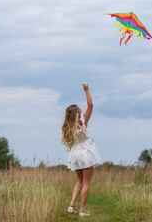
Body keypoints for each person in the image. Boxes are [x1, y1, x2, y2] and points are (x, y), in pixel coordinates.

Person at [61, 83, 101, 217]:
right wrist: (87, 90)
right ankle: (82, 209)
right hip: (85, 153)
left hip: (75, 154)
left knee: (79, 181)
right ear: (78, 113)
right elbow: (91, 106)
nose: (82, 111)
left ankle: (72, 204)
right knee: (86, 182)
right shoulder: (82, 122)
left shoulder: (68, 127)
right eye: (80, 110)